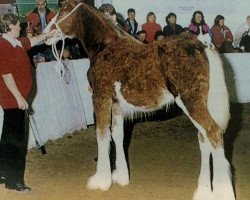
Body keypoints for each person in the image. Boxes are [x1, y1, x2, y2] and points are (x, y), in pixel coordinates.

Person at [0, 13, 58, 192]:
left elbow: (32, 41)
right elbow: (6, 74)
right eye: (19, 25)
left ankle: (4, 173)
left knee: (9, 137)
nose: (21, 28)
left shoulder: (16, 42)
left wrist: (47, 35)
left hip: (16, 98)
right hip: (12, 98)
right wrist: (19, 97)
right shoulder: (3, 45)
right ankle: (14, 180)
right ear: (10, 27)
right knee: (17, 141)